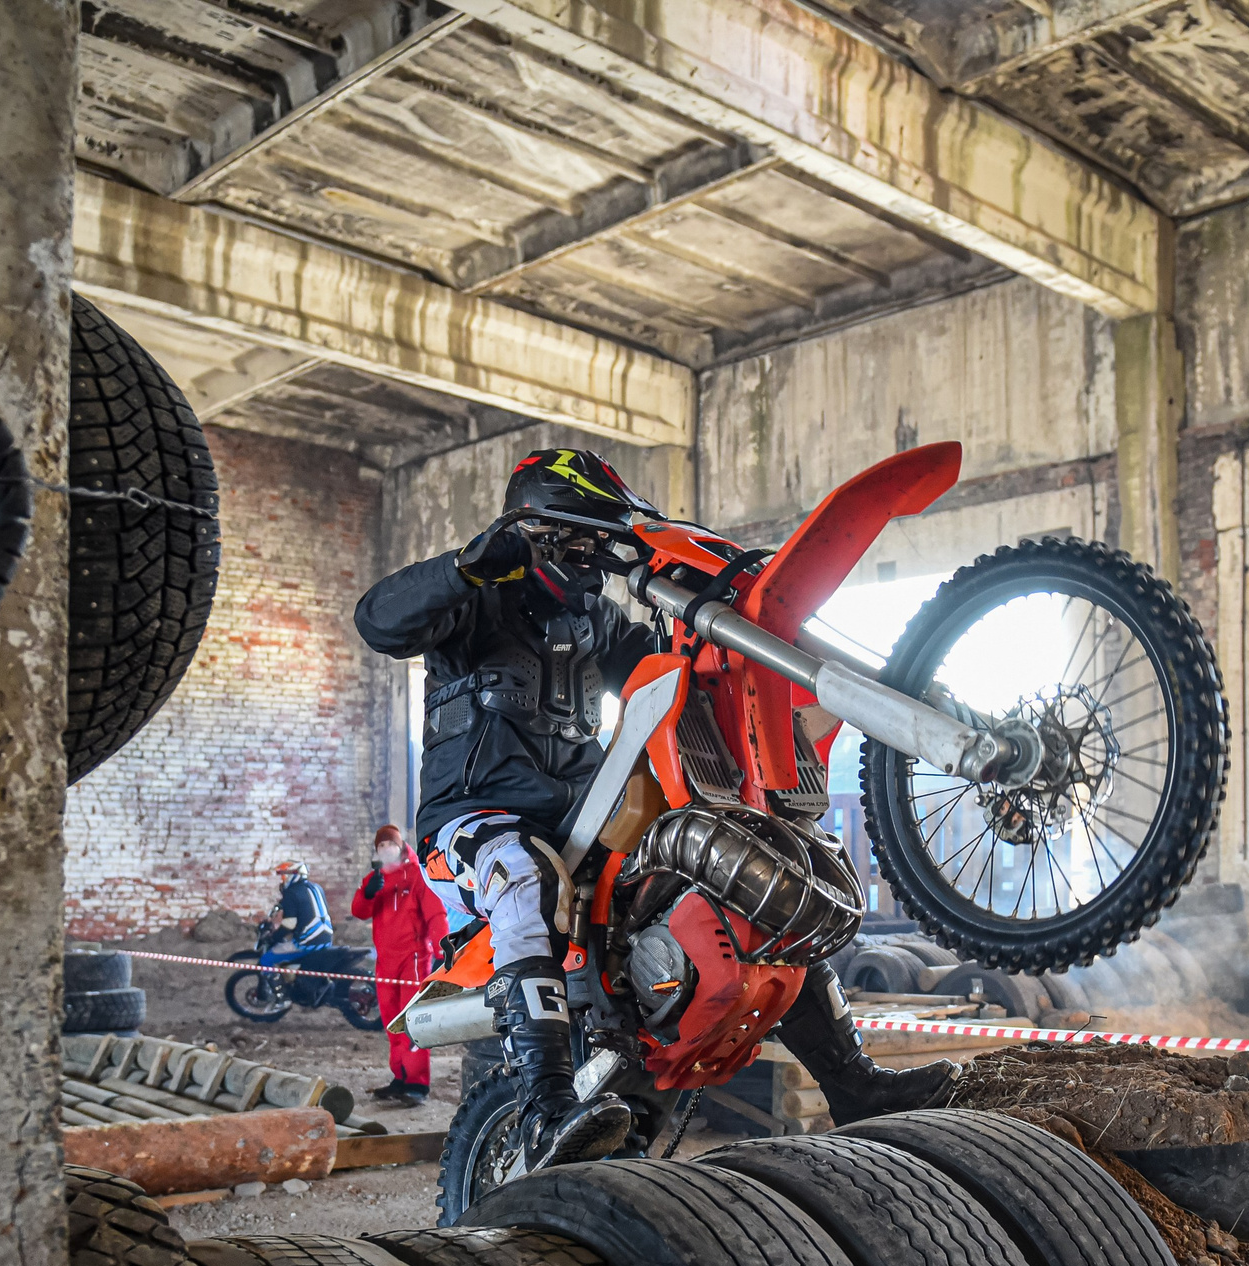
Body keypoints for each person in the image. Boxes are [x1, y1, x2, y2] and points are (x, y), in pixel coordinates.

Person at [354, 447, 951, 1171]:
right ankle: (545, 1108)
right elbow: (378, 621)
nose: (589, 557)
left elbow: (670, 672)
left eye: (596, 541)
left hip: (580, 821)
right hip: (475, 821)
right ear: (530, 530)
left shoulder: (594, 622)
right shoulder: (472, 604)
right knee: (520, 878)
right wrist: (467, 563)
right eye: (575, 539)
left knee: (735, 888)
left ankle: (853, 1085)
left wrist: (727, 632)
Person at [351, 824, 446, 1107]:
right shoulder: (375, 879)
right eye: (380, 846)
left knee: (413, 1020)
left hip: (413, 959)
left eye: (390, 845)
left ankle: (417, 1083)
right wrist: (367, 893)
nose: (385, 850)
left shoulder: (417, 876)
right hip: (385, 962)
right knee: (392, 1020)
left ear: (401, 847)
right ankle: (401, 1077)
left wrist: (443, 948)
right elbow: (359, 911)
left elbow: (436, 913)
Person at [267, 858, 330, 950]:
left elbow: (290, 924)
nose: (282, 880)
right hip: (327, 941)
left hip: (307, 943)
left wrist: (274, 938)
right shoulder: (317, 888)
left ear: (292, 875)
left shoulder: (291, 892)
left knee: (267, 959)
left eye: (284, 876)